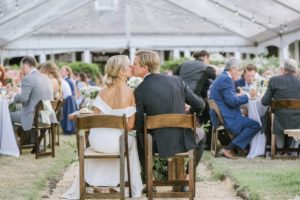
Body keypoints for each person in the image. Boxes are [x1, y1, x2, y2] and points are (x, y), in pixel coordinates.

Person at [62, 55, 143, 199]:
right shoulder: (130, 93)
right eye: (128, 66)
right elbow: (130, 126)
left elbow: (95, 119)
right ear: (121, 72)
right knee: (131, 143)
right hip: (118, 143)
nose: (131, 67)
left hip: (98, 142)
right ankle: (122, 183)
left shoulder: (102, 91)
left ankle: (100, 182)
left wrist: (79, 115)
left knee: (104, 144)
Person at [131, 50, 205, 190]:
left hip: (156, 145)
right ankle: (187, 179)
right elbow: (200, 104)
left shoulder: (140, 90)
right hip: (183, 140)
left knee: (140, 136)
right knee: (201, 135)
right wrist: (190, 112)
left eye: (135, 64)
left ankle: (149, 181)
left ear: (145, 67)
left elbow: (140, 125)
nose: (132, 66)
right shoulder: (177, 80)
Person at [209, 57, 260, 159]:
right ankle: (229, 148)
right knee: (255, 125)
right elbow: (232, 102)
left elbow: (228, 98)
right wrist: (248, 95)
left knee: (249, 119)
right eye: (240, 70)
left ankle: (240, 148)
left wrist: (238, 95)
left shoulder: (222, 77)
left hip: (222, 115)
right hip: (228, 117)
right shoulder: (226, 79)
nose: (240, 73)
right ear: (233, 68)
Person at [174, 50, 216, 150]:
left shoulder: (183, 65)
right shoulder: (206, 67)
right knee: (210, 111)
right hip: (193, 100)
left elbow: (174, 76)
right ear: (206, 57)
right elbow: (215, 77)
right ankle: (207, 142)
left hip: (178, 98)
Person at [261, 59, 300, 148]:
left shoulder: (274, 80)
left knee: (274, 117)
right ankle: (292, 151)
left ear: (284, 69)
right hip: (297, 120)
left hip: (279, 121)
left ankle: (280, 149)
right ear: (295, 70)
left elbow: (264, 102)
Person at [10, 56, 53, 132]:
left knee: (7, 116)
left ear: (25, 66)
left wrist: (14, 96)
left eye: (21, 67)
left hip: (32, 117)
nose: (21, 69)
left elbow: (23, 99)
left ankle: (14, 142)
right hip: (46, 117)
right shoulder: (46, 78)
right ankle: (28, 141)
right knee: (19, 111)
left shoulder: (27, 78)